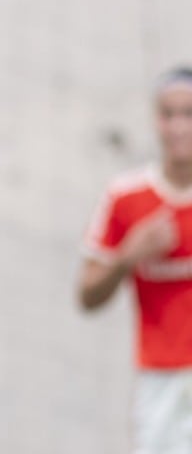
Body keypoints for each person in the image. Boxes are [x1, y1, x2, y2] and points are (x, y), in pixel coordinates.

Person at [78, 67, 192, 453]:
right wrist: (129, 255)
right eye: (168, 114)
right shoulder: (127, 197)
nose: (178, 126)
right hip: (158, 378)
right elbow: (87, 295)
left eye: (188, 114)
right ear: (156, 120)